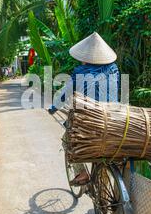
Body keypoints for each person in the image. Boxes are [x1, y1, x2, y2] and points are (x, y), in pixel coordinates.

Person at [49, 32, 120, 186]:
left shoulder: (80, 73)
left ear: (85, 57)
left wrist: (54, 107)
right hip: (115, 119)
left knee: (66, 141)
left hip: (91, 121)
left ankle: (81, 173)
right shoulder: (114, 69)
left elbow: (64, 93)